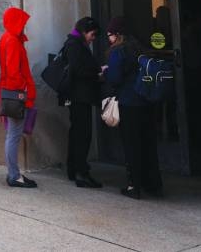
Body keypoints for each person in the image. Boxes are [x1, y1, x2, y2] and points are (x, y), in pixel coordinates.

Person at [105, 17, 162, 199]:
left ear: (118, 34)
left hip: (129, 102)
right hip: (147, 101)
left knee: (131, 145)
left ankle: (134, 186)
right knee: (147, 144)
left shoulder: (118, 52)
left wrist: (105, 72)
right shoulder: (141, 49)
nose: (109, 39)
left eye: (110, 34)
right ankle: (153, 184)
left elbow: (114, 78)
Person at [0, 6, 38, 188]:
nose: (24, 26)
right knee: (13, 135)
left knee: (12, 135)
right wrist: (24, 91)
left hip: (10, 93)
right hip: (16, 95)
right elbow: (14, 72)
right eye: (22, 22)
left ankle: (13, 174)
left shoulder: (7, 38)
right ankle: (14, 175)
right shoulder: (13, 41)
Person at [64, 16, 103, 188]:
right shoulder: (75, 45)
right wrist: (97, 72)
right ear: (84, 31)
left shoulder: (75, 43)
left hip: (78, 96)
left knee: (77, 134)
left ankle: (74, 169)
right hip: (79, 97)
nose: (93, 38)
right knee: (82, 134)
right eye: (92, 34)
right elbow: (78, 70)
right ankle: (81, 172)